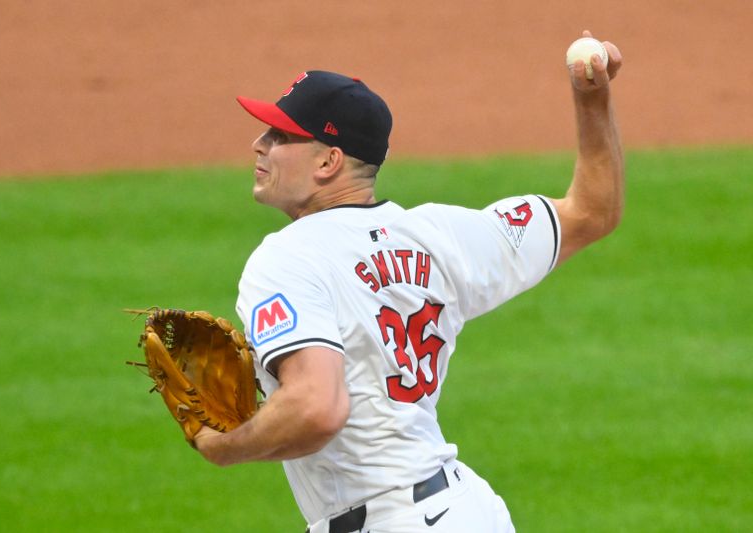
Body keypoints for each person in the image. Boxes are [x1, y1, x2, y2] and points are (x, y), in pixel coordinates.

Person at [194, 30, 624, 533]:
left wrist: (224, 445)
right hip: (467, 512)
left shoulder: (286, 258)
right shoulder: (439, 234)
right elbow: (592, 211)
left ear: (329, 162)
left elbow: (316, 409)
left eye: (281, 137)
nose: (259, 144)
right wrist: (592, 96)